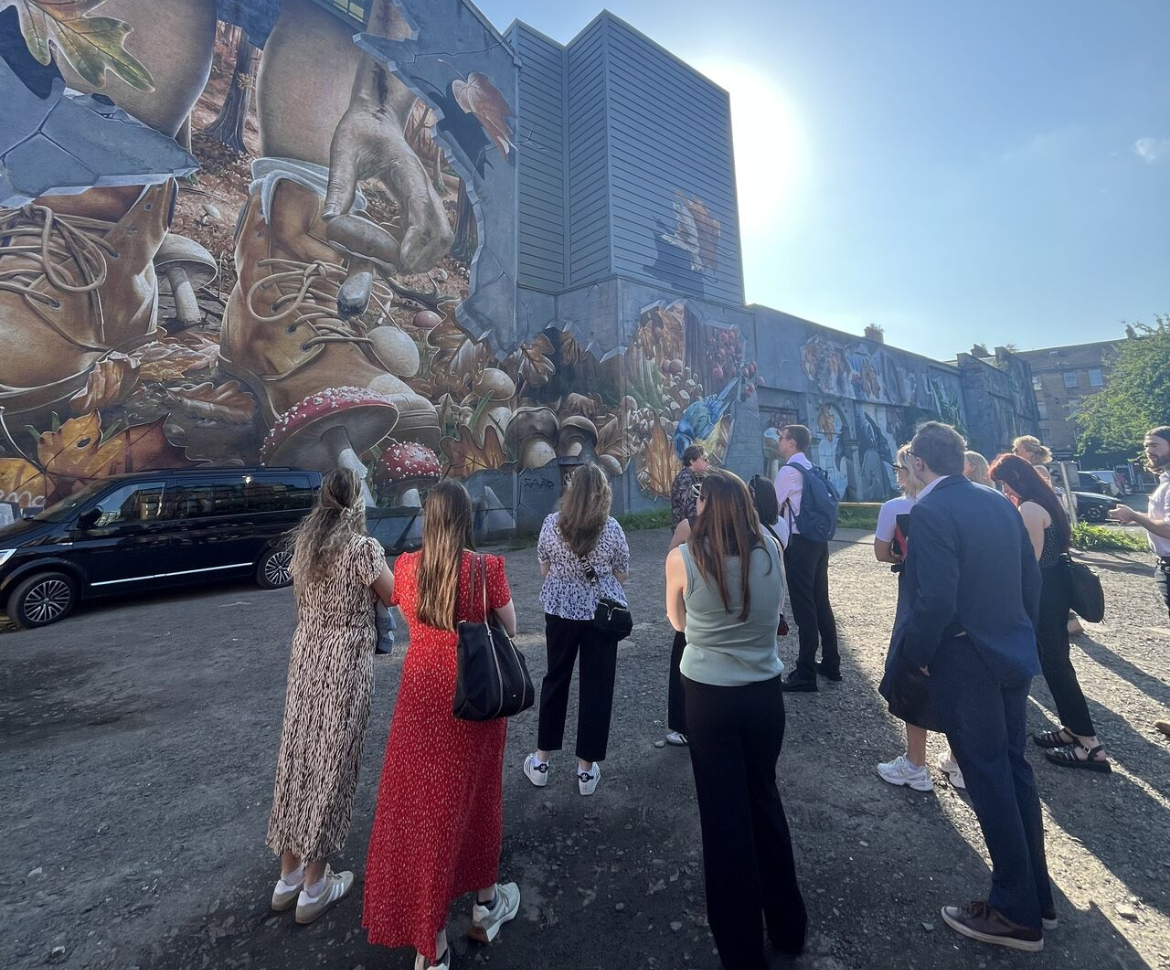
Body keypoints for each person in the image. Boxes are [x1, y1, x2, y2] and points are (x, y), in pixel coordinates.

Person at [897, 422, 1053, 951]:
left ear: (919, 463)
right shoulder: (998, 504)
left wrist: (916, 658)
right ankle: (1039, 898)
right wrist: (1018, 632)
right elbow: (1031, 580)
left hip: (967, 659)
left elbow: (936, 598)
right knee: (1014, 770)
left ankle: (1014, 912)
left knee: (986, 777)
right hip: (1010, 649)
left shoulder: (930, 510)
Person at [364, 481, 520, 970]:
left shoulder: (407, 568)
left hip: (420, 701)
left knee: (422, 812)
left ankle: (430, 944)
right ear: (466, 518)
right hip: (472, 700)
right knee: (477, 800)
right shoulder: (484, 569)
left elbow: (399, 608)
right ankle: (487, 903)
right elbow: (510, 628)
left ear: (429, 520)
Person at [665, 470, 806, 970]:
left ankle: (741, 947)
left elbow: (678, 623)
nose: (696, 504)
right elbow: (777, 612)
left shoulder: (683, 559)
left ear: (710, 505)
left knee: (725, 820)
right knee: (764, 800)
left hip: (709, 697)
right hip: (764, 695)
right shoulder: (771, 549)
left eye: (701, 498)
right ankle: (789, 926)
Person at [266, 468, 394, 924]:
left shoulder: (306, 543)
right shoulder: (363, 549)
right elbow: (393, 595)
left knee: (298, 757)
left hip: (305, 658)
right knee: (333, 763)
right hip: (343, 664)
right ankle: (315, 887)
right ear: (356, 501)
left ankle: (287, 878)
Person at [990, 455, 1110, 773]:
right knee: (1056, 665)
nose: (1004, 491)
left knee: (1057, 666)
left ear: (1016, 479)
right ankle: (1073, 729)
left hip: (1044, 596)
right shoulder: (1047, 501)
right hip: (1055, 591)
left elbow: (1030, 561)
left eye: (1004, 483)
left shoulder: (1029, 508)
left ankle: (1089, 744)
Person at [525, 463, 630, 795]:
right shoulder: (611, 528)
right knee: (597, 687)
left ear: (571, 491)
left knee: (556, 679)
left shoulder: (551, 525)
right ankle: (586, 771)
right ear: (603, 494)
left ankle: (541, 762)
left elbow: (544, 568)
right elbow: (622, 573)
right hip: (602, 616)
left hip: (559, 612)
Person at [874, 446, 964, 791]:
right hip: (959, 592)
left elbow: (883, 553)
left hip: (915, 588)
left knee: (912, 671)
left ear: (909, 469)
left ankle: (915, 763)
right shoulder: (958, 503)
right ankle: (958, 762)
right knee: (952, 674)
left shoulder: (896, 508)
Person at [1107, 427, 1170, 740]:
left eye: (1155, 445)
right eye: (1147, 446)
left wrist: (1134, 516)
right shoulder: (1164, 480)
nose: (1150, 451)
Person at [773, 424, 840, 691]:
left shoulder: (789, 471)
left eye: (782, 438)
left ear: (792, 443)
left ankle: (805, 673)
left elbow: (772, 505)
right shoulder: (811, 468)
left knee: (804, 608)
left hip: (799, 543)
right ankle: (832, 663)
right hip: (818, 542)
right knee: (821, 601)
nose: (779, 441)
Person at [671, 445, 710, 528]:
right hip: (687, 529)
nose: (708, 462)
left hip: (692, 526)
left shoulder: (695, 476)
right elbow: (690, 509)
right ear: (692, 461)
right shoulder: (685, 479)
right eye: (705, 459)